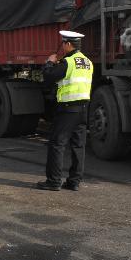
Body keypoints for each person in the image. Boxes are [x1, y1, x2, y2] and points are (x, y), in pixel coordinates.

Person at [37, 30, 93, 191]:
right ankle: (74, 181)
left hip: (68, 108)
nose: (62, 46)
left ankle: (54, 181)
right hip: (83, 109)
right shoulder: (88, 62)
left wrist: (49, 62)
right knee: (78, 145)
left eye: (63, 43)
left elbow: (48, 77)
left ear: (68, 44)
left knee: (57, 144)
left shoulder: (68, 62)